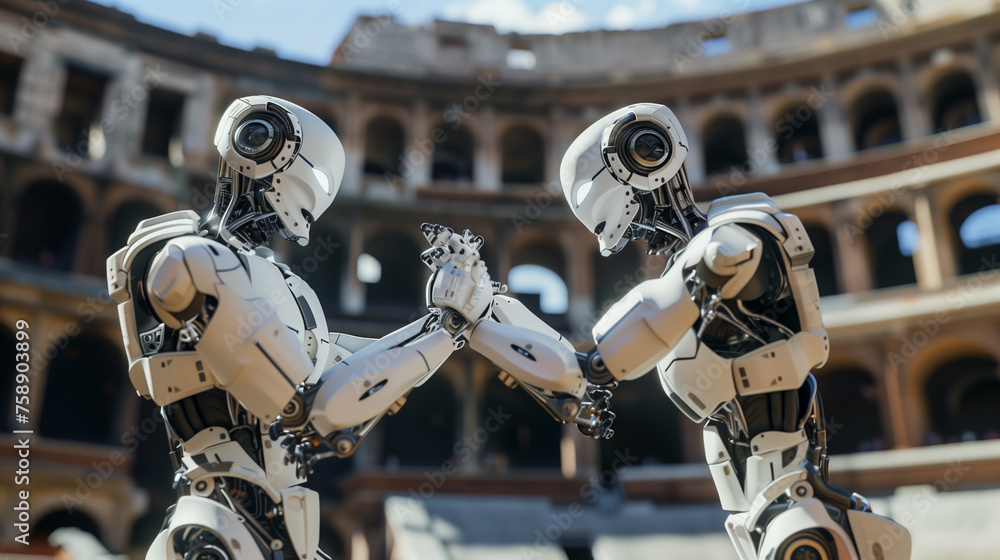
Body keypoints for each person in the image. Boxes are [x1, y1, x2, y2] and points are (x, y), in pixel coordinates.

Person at [107, 95, 608, 560]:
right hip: (218, 527)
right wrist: (449, 326)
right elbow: (307, 409)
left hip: (274, 524)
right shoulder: (191, 262)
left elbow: (355, 369)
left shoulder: (274, 282)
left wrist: (458, 322)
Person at [426, 103, 912, 560]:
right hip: (761, 501)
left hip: (784, 492)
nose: (642, 236)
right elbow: (584, 366)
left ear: (643, 164)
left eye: (633, 219)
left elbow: (598, 364)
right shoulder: (703, 260)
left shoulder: (730, 240)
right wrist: (488, 314)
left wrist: (480, 325)